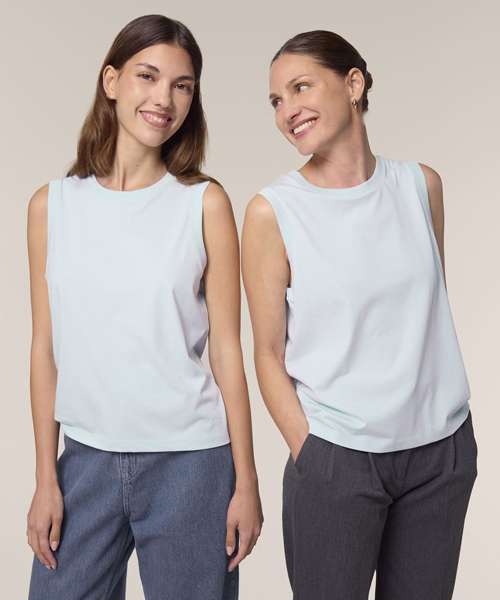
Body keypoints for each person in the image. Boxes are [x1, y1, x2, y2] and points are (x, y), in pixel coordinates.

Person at [26, 14, 262, 600]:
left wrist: (246, 481)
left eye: (182, 86)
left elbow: (227, 350)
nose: (164, 99)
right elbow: (45, 350)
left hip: (191, 466)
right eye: (148, 76)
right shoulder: (51, 207)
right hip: (85, 461)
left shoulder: (203, 204)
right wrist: (45, 478)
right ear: (111, 81)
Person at [242, 29, 477, 600]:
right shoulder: (274, 212)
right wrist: (312, 450)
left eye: (301, 88)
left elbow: (428, 313)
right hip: (338, 459)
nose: (287, 111)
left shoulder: (421, 186)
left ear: (353, 84)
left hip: (439, 455)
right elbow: (267, 352)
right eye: (276, 100)